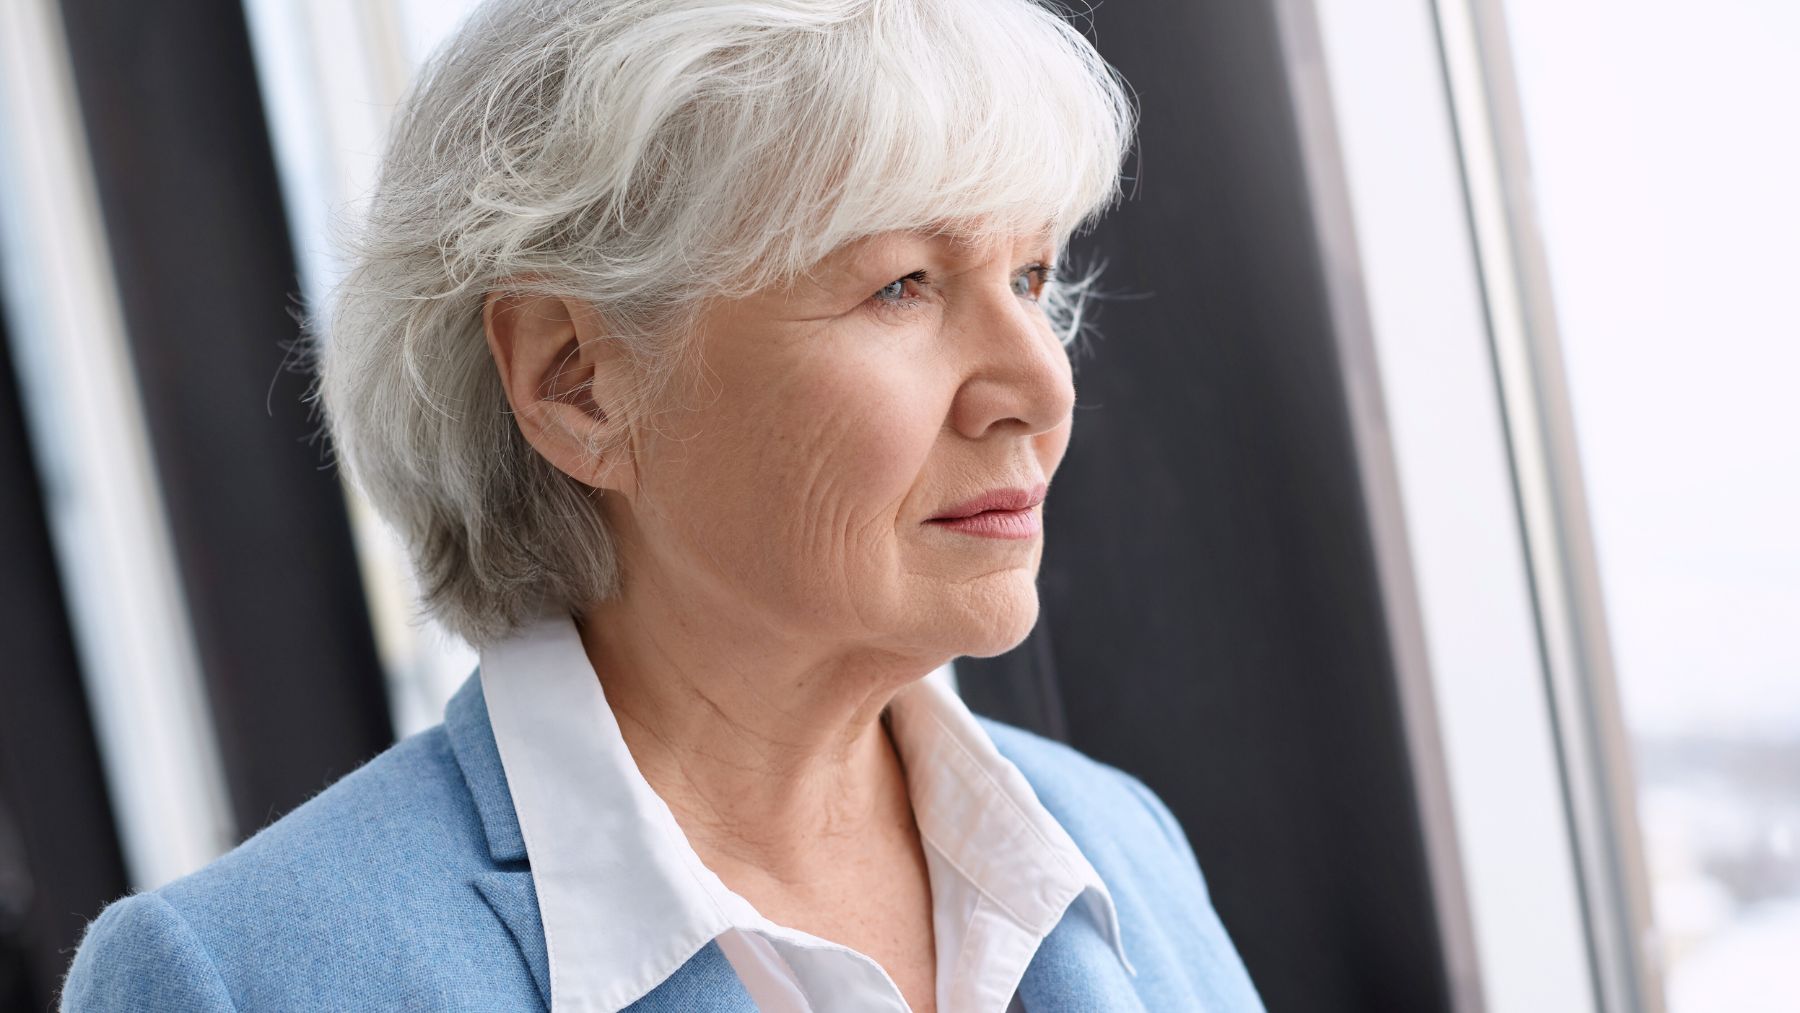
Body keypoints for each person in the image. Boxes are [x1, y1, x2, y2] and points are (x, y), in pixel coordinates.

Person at [58, 0, 1265, 1009]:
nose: (1041, 387)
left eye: (1031, 276)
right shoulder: (239, 979)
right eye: (903, 283)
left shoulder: (1119, 843)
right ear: (576, 381)